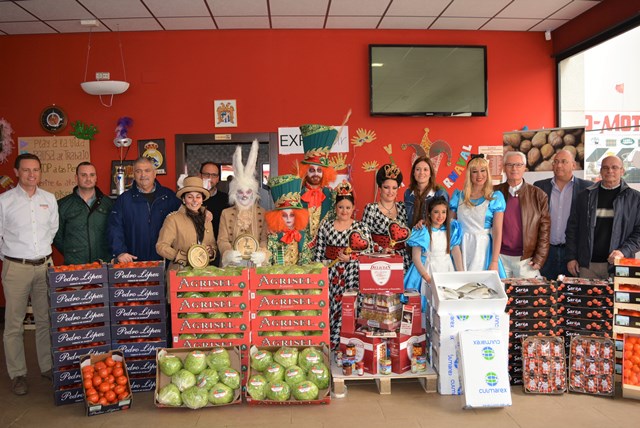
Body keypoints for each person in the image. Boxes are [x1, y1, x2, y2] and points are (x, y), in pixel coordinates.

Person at [0, 153, 58, 395]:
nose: (31, 174)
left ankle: (46, 367)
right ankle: (18, 374)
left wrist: (42, 254)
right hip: (16, 267)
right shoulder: (5, 201)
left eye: (36, 170)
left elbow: (52, 229)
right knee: (14, 325)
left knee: (45, 320)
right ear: (16, 172)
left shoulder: (49, 198)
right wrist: (11, 258)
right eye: (26, 170)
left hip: (44, 266)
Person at [314, 181, 372, 349]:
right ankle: (331, 341)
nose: (344, 211)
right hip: (331, 275)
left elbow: (369, 253)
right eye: (340, 207)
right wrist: (319, 272)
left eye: (348, 207)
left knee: (349, 307)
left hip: (352, 275)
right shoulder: (326, 225)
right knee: (331, 307)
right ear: (335, 208)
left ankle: (350, 343)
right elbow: (319, 251)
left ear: (353, 208)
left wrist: (352, 258)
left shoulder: (361, 227)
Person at [566, 155, 640, 279]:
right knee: (588, 298)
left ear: (622, 171)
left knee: (617, 299)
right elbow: (572, 229)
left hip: (619, 265)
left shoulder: (635, 199)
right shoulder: (585, 196)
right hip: (587, 266)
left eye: (614, 167)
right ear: (600, 171)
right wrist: (571, 257)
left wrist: (624, 251)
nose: (610, 171)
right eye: (605, 168)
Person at [108, 157, 181, 263]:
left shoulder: (169, 196)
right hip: (134, 262)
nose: (143, 175)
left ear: (155, 173)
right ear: (133, 174)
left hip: (165, 261)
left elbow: (185, 218)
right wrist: (120, 252)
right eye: (138, 171)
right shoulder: (124, 200)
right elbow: (115, 228)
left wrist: (202, 212)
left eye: (147, 170)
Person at [534, 150, 592, 280]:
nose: (559, 165)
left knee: (570, 295)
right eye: (556, 162)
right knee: (545, 293)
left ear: (574, 165)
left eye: (564, 162)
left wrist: (575, 255)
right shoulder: (539, 187)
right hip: (547, 252)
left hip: (573, 253)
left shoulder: (587, 188)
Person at [404, 196, 463, 323]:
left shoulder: (452, 229)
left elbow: (456, 252)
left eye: (443, 212)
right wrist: (427, 277)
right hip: (428, 270)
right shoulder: (422, 231)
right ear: (429, 213)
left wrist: (461, 273)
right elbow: (416, 257)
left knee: (446, 302)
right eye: (436, 212)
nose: (440, 216)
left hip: (446, 269)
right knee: (427, 302)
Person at [494, 151, 550, 278]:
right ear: (503, 168)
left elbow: (544, 229)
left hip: (527, 260)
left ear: (525, 168)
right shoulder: (494, 193)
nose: (514, 168)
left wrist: (540, 257)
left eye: (518, 165)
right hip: (499, 257)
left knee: (528, 296)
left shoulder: (538, 195)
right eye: (510, 165)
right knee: (500, 295)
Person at [450, 155, 506, 277]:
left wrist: (494, 261)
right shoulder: (458, 197)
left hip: (483, 249)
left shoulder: (495, 198)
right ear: (469, 174)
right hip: (460, 249)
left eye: (483, 171)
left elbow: (497, 232)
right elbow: (449, 226)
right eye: (474, 171)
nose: (479, 175)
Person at [218, 140, 269, 266]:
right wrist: (228, 253)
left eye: (248, 192)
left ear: (254, 193)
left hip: (256, 263)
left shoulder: (263, 213)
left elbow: (265, 239)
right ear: (234, 193)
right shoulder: (226, 213)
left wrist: (263, 254)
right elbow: (222, 239)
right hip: (233, 264)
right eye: (240, 192)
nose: (245, 195)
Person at [54, 162, 113, 265]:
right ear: (76, 178)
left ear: (96, 178)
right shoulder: (62, 205)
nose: (88, 178)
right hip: (75, 266)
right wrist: (72, 252)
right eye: (83, 175)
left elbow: (115, 231)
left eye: (92, 175)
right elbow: (57, 236)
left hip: (102, 263)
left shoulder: (109, 204)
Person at [156, 176, 217, 270]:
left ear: (202, 200)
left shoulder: (207, 219)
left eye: (198, 197)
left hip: (203, 273)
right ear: (184, 199)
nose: (195, 201)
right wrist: (184, 258)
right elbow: (161, 246)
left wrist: (212, 252)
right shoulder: (173, 219)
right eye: (190, 197)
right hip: (180, 272)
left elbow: (213, 245)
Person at [361, 163, 411, 271]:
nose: (390, 192)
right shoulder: (371, 209)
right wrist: (380, 250)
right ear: (379, 188)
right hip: (378, 259)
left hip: (402, 259)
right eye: (386, 187)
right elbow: (364, 238)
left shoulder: (403, 207)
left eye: (394, 188)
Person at [297, 124, 338, 246]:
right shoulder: (296, 194)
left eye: (319, 170)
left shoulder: (332, 195)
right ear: (305, 171)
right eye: (311, 170)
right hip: (301, 251)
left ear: (325, 172)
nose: (315, 174)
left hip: (326, 250)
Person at [265, 175, 312, 265]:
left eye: (292, 215)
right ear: (277, 217)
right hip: (278, 276)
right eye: (284, 215)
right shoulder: (274, 236)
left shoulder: (302, 235)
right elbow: (269, 260)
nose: (288, 219)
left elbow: (306, 258)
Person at [404, 156, 448, 228]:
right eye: (418, 169)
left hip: (433, 235)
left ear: (431, 173)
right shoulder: (408, 193)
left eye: (425, 169)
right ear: (413, 173)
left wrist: (427, 222)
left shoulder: (440, 194)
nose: (421, 172)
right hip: (411, 236)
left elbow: (445, 219)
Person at [199, 162, 229, 240]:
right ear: (200, 176)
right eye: (206, 174)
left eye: (214, 175)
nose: (210, 178)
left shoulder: (227, 199)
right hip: (195, 246)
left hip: (220, 245)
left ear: (218, 179)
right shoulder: (191, 200)